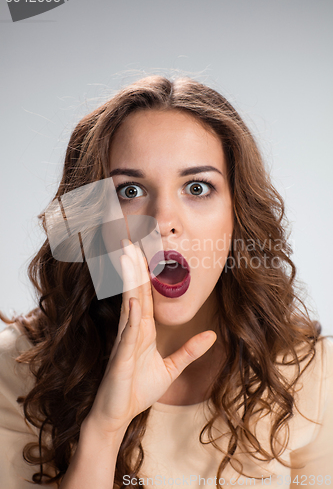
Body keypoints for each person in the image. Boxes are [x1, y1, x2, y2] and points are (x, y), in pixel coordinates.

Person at [0, 76, 332, 489]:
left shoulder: (311, 374)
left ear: (237, 216)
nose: (162, 223)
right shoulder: (15, 370)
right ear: (91, 222)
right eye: (131, 190)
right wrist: (105, 428)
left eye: (197, 187)